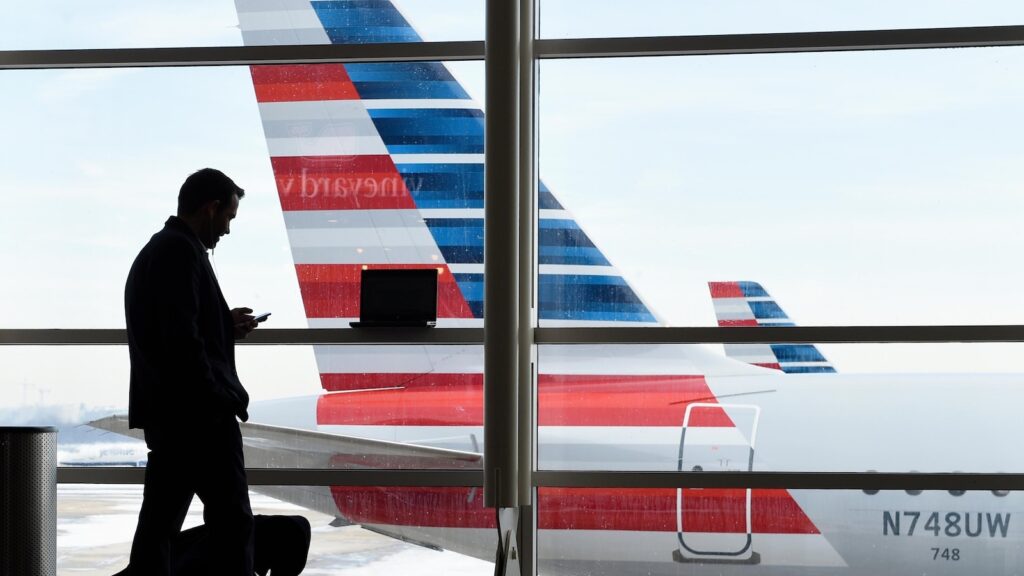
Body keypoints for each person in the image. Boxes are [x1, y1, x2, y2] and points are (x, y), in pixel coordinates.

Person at [122, 168, 259, 575]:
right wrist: (218, 396)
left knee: (158, 528)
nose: (228, 230)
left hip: (173, 416)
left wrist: (221, 323)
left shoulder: (163, 249)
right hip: (199, 419)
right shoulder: (179, 252)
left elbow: (176, 325)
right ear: (211, 208)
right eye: (229, 218)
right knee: (233, 525)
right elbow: (182, 342)